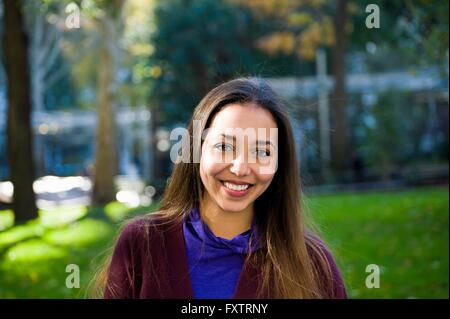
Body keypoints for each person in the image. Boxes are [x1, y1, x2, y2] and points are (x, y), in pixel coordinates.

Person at [98, 77, 347, 299]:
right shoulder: (141, 243)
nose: (240, 168)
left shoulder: (313, 262)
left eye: (262, 152)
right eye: (225, 147)